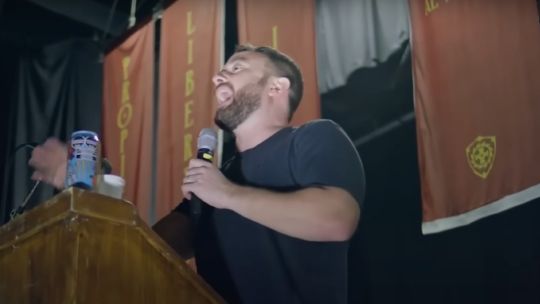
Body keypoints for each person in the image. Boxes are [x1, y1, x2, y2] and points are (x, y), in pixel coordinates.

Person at [29, 44, 366, 304]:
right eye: (220, 71)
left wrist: (226, 195)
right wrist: (85, 186)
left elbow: (336, 219)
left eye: (236, 68)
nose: (218, 76)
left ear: (276, 88)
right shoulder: (213, 180)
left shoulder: (313, 137)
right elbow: (148, 252)